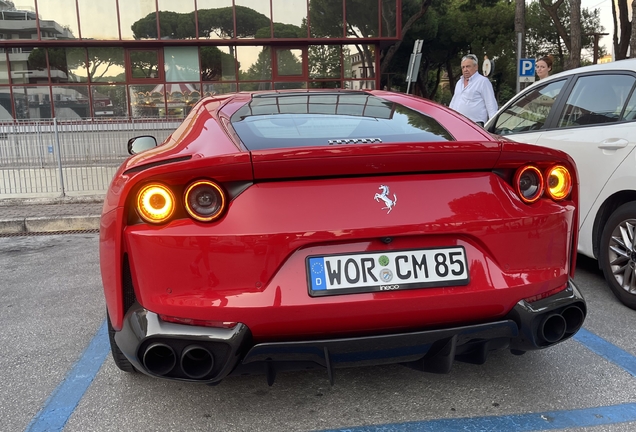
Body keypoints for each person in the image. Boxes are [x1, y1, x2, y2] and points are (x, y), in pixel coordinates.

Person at [449, 54, 498, 127]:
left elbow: (491, 106)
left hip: (475, 126)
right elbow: (454, 103)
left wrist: (493, 127)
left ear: (476, 67)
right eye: (463, 67)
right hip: (457, 125)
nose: (465, 69)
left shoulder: (483, 82)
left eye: (468, 66)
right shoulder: (459, 83)